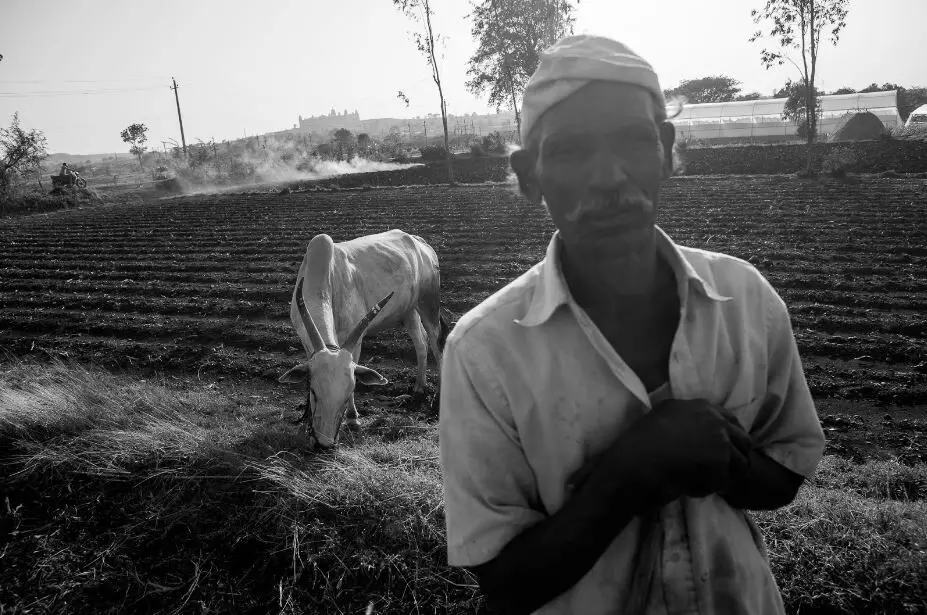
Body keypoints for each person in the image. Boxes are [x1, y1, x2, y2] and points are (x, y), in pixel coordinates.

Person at [438, 34, 826, 615]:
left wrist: (718, 460)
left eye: (633, 140)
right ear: (529, 175)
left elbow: (786, 471)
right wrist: (629, 474)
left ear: (665, 149)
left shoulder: (745, 300)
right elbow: (505, 582)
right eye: (570, 150)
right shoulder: (484, 351)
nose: (609, 176)